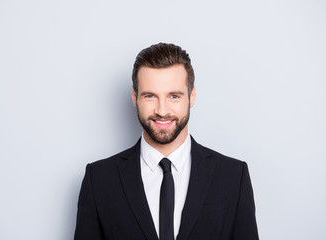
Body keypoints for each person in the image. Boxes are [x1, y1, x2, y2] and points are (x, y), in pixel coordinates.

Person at [74, 43, 259, 240]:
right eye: (150, 96)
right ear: (135, 97)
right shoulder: (99, 180)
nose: (162, 110)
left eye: (174, 96)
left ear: (192, 96)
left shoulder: (232, 177)